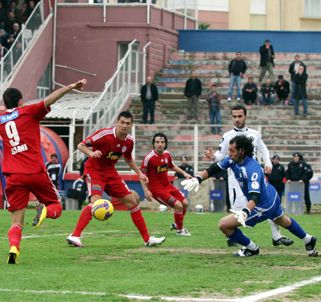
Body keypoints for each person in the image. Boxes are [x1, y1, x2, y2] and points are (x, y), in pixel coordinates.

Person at [183, 136, 317, 257]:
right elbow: (214, 169)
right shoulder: (233, 159)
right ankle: (308, 240)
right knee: (283, 221)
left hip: (262, 205)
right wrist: (197, 179)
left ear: (241, 151)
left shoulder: (251, 169)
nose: (229, 153)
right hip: (271, 195)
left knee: (224, 225)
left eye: (232, 150)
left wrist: (245, 212)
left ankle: (252, 248)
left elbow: (254, 197)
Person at [0, 79, 87, 264]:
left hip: (13, 175)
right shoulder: (28, 111)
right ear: (21, 102)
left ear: (4, 103)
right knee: (56, 206)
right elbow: (50, 100)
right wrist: (71, 86)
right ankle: (45, 211)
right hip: (35, 171)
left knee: (16, 220)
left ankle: (14, 247)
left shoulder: (1, 120)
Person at [66, 111, 165, 248]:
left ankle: (147, 239)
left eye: (127, 123)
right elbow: (81, 145)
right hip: (94, 170)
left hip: (110, 172)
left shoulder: (129, 141)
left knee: (132, 201)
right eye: (122, 122)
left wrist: (139, 173)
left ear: (131, 125)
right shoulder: (105, 135)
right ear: (117, 123)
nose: (124, 126)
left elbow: (128, 158)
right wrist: (91, 153)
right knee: (95, 201)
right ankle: (75, 236)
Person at [204, 104, 293, 247]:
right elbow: (221, 155)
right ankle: (237, 238)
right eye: (234, 116)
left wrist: (268, 163)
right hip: (235, 178)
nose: (237, 119)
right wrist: (213, 156)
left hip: (254, 175)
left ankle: (276, 236)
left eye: (240, 116)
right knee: (239, 210)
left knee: (266, 202)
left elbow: (263, 148)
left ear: (245, 116)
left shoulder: (254, 134)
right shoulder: (227, 136)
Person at [140, 133, 192, 236]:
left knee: (185, 203)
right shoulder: (149, 158)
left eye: (162, 142)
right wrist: (146, 191)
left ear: (165, 144)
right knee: (178, 205)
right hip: (157, 190)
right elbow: (142, 175)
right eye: (157, 142)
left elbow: (172, 166)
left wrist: (184, 173)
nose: (160, 144)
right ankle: (180, 230)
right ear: (153, 144)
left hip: (167, 186)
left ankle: (177, 224)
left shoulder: (167, 154)